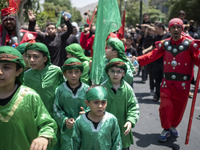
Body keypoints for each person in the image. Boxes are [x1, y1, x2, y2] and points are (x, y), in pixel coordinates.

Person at [134, 18, 200, 142]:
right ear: (169, 29)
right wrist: (137, 60)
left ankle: (173, 126)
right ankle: (166, 128)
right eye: (173, 27)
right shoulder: (165, 44)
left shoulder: (190, 45)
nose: (176, 30)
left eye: (178, 27)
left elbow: (197, 60)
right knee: (165, 107)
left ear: (182, 29)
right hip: (167, 83)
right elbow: (151, 55)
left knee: (179, 109)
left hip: (183, 85)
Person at [0, 46, 57, 150]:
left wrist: (44, 137)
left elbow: (47, 124)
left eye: (6, 67)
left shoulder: (29, 96)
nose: (0, 72)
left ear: (18, 71)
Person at [102, 58, 140, 149]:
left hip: (123, 129)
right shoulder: (102, 88)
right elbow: (94, 105)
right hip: (105, 129)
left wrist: (130, 120)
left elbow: (133, 107)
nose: (115, 74)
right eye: (112, 71)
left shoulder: (128, 89)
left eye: (119, 71)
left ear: (123, 73)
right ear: (108, 72)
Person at [53, 57, 89, 150]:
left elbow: (93, 107)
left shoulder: (87, 90)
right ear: (64, 73)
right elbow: (56, 109)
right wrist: (65, 120)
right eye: (69, 72)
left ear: (81, 72)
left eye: (76, 72)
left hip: (84, 130)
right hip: (67, 132)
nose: (73, 75)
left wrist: (87, 114)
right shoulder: (60, 90)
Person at [72, 85, 122, 150]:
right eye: (96, 102)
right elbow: (75, 144)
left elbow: (117, 143)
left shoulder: (111, 120)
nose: (100, 106)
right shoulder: (80, 121)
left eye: (103, 102)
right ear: (87, 103)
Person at [24, 42, 65, 115]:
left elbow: (63, 90)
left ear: (45, 59)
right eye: (29, 56)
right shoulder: (26, 76)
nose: (31, 60)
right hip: (36, 115)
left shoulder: (56, 71)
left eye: (35, 57)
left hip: (55, 114)